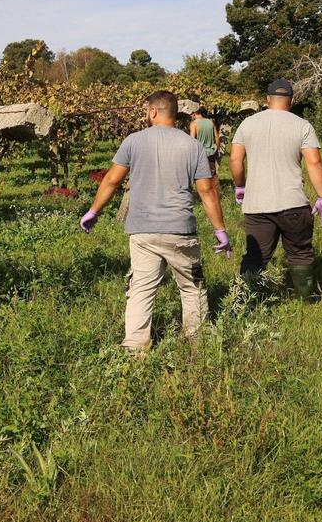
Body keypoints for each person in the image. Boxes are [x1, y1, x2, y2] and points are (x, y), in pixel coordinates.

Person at [80, 90, 231, 349]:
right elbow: (206, 190)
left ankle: (135, 347)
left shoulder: (133, 141)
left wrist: (94, 211)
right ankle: (197, 344)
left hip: (142, 232)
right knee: (192, 288)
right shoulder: (191, 145)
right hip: (180, 231)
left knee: (141, 289)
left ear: (152, 112)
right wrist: (220, 230)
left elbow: (112, 180)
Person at [229, 79, 322, 301]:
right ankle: (306, 300)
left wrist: (240, 186)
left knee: (255, 257)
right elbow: (314, 163)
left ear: (267, 100)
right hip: (293, 203)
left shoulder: (247, 124)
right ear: (292, 101)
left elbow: (235, 159)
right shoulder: (302, 125)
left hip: (257, 205)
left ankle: (245, 303)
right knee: (300, 253)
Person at [189, 107, 222, 177]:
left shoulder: (194, 124)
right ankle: (214, 187)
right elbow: (216, 137)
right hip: (211, 152)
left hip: (200, 153)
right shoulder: (211, 122)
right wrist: (218, 149)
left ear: (195, 114)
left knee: (200, 177)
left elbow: (192, 140)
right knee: (212, 174)